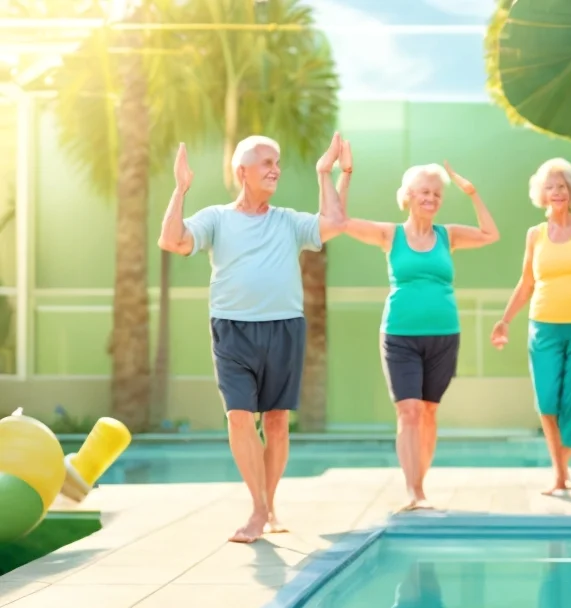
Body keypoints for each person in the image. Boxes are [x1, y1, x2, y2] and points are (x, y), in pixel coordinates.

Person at [157, 133, 347, 543]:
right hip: (232, 328)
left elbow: (334, 224)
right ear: (242, 172)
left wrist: (325, 172)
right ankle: (259, 509)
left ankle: (269, 504)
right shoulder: (216, 219)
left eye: (277, 161)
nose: (275, 168)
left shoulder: (288, 221)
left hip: (284, 326)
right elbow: (172, 240)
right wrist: (180, 190)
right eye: (266, 162)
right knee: (240, 416)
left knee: (276, 422)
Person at [335, 142, 499, 511]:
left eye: (437, 193)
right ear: (408, 196)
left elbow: (491, 234)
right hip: (399, 335)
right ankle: (414, 492)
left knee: (428, 412)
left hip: (444, 335)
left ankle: (419, 485)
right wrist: (344, 175)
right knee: (408, 410)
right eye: (424, 191)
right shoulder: (389, 235)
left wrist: (471, 192)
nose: (432, 198)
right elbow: (341, 221)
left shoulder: (448, 235)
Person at [490, 158, 571, 496]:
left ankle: (560, 474)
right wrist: (504, 320)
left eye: (562, 186)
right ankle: (561, 470)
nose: (557, 191)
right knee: (547, 401)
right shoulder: (534, 235)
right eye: (551, 186)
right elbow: (525, 283)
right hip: (543, 326)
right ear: (542, 194)